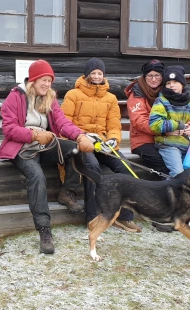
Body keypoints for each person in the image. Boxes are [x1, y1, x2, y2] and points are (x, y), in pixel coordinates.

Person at [0, 60, 95, 254]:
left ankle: (67, 192)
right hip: (22, 147)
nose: (47, 84)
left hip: (46, 144)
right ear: (32, 80)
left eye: (50, 80)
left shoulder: (50, 98)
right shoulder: (15, 98)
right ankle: (44, 229)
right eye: (43, 80)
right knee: (37, 176)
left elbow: (62, 122)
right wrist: (33, 135)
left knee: (75, 150)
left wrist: (80, 136)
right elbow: (9, 129)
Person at [60, 58, 141, 232]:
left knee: (125, 167)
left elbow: (114, 124)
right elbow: (65, 123)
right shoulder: (73, 95)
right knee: (92, 167)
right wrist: (83, 136)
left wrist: (113, 139)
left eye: (100, 73)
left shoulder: (110, 98)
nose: (97, 76)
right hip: (83, 142)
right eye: (93, 73)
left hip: (104, 144)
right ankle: (92, 216)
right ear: (87, 74)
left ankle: (125, 216)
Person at [148, 65, 190, 234]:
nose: (172, 86)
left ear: (183, 84)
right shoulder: (161, 102)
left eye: (175, 82)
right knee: (177, 174)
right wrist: (178, 125)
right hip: (168, 145)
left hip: (188, 147)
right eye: (168, 83)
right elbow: (154, 124)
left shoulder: (189, 103)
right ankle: (171, 215)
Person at [126, 59, 171, 175]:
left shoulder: (169, 90)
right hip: (143, 140)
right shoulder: (136, 92)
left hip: (166, 138)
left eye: (157, 75)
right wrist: (164, 129)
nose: (154, 79)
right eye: (150, 76)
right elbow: (139, 120)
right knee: (163, 163)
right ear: (144, 77)